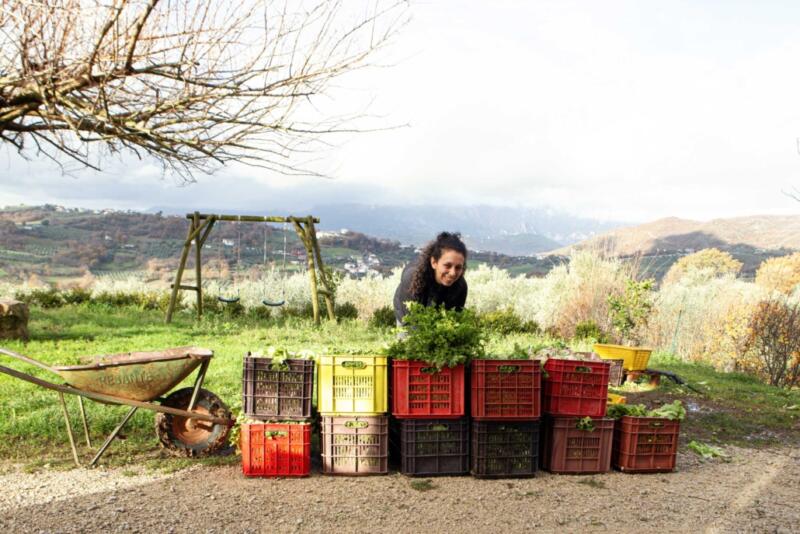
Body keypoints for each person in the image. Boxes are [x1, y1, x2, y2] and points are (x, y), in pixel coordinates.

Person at [393, 231, 468, 325]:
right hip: (406, 315)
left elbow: (455, 319)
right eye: (447, 265)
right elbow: (411, 322)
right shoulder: (412, 277)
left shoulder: (461, 286)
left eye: (458, 267)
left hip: (436, 315)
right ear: (434, 262)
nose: (453, 273)